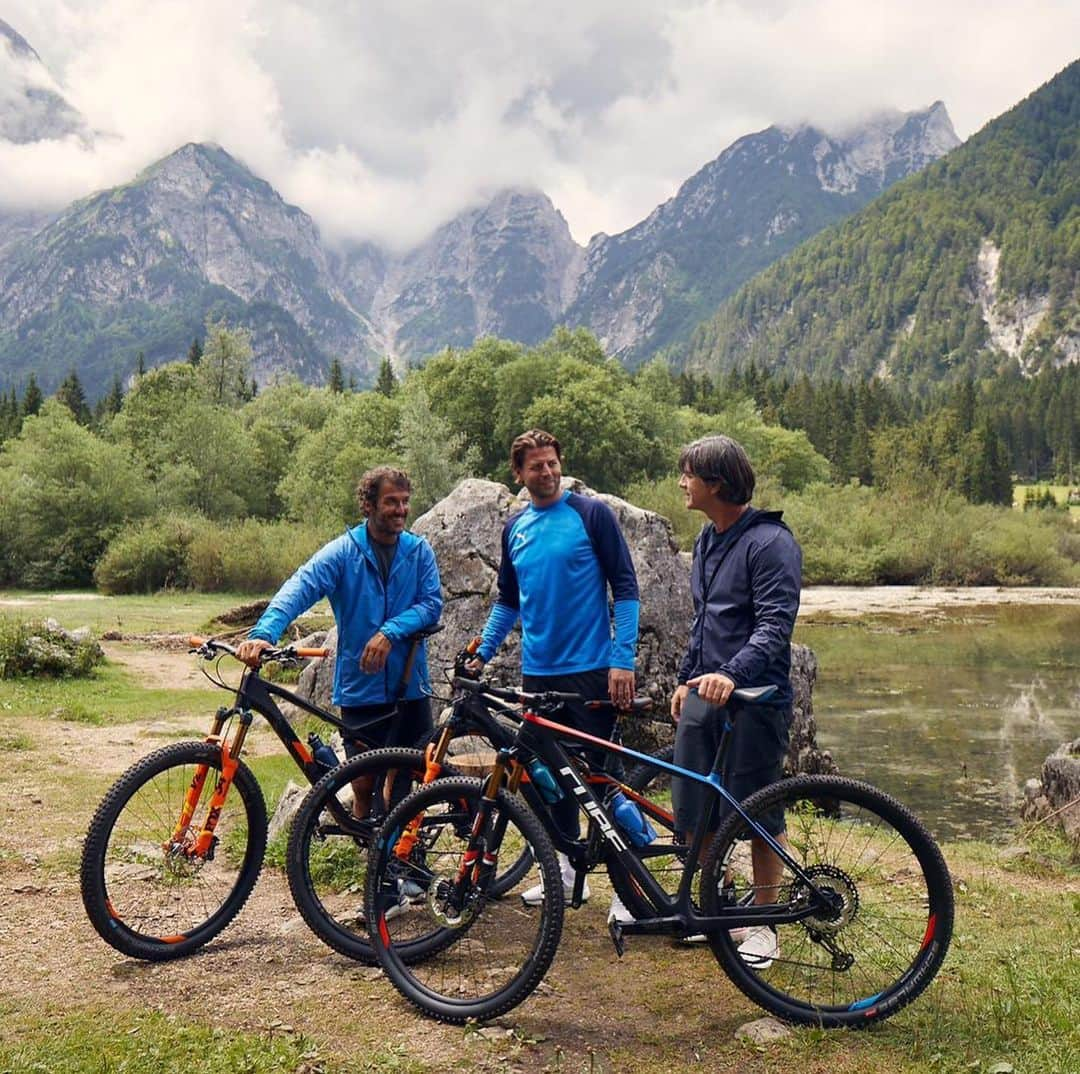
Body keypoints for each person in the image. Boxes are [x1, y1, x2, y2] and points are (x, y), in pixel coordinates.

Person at [467, 429, 640, 910]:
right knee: (549, 778)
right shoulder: (515, 528)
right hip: (537, 677)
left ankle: (634, 886)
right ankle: (566, 873)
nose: (546, 472)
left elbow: (625, 588)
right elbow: (508, 602)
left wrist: (621, 660)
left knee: (603, 780)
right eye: (535, 466)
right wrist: (481, 651)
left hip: (590, 671)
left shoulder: (591, 514)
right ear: (518, 474)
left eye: (552, 463)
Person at [237, 465, 442, 821]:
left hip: (410, 683)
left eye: (405, 502)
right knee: (362, 780)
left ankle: (403, 860)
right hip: (361, 685)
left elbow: (430, 604)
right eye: (391, 502)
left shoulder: (418, 551)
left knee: (407, 778)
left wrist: (390, 631)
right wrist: (263, 633)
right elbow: (299, 587)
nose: (401, 510)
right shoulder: (343, 553)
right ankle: (367, 848)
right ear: (368, 505)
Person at [670, 434, 802, 968]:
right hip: (706, 694)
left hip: (755, 698)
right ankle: (716, 909)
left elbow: (775, 627)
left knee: (756, 811)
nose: (681, 483)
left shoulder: (770, 542)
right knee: (694, 811)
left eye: (689, 474)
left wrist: (729, 674)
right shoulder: (706, 540)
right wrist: (686, 679)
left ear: (716, 483)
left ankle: (766, 924)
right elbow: (703, 625)